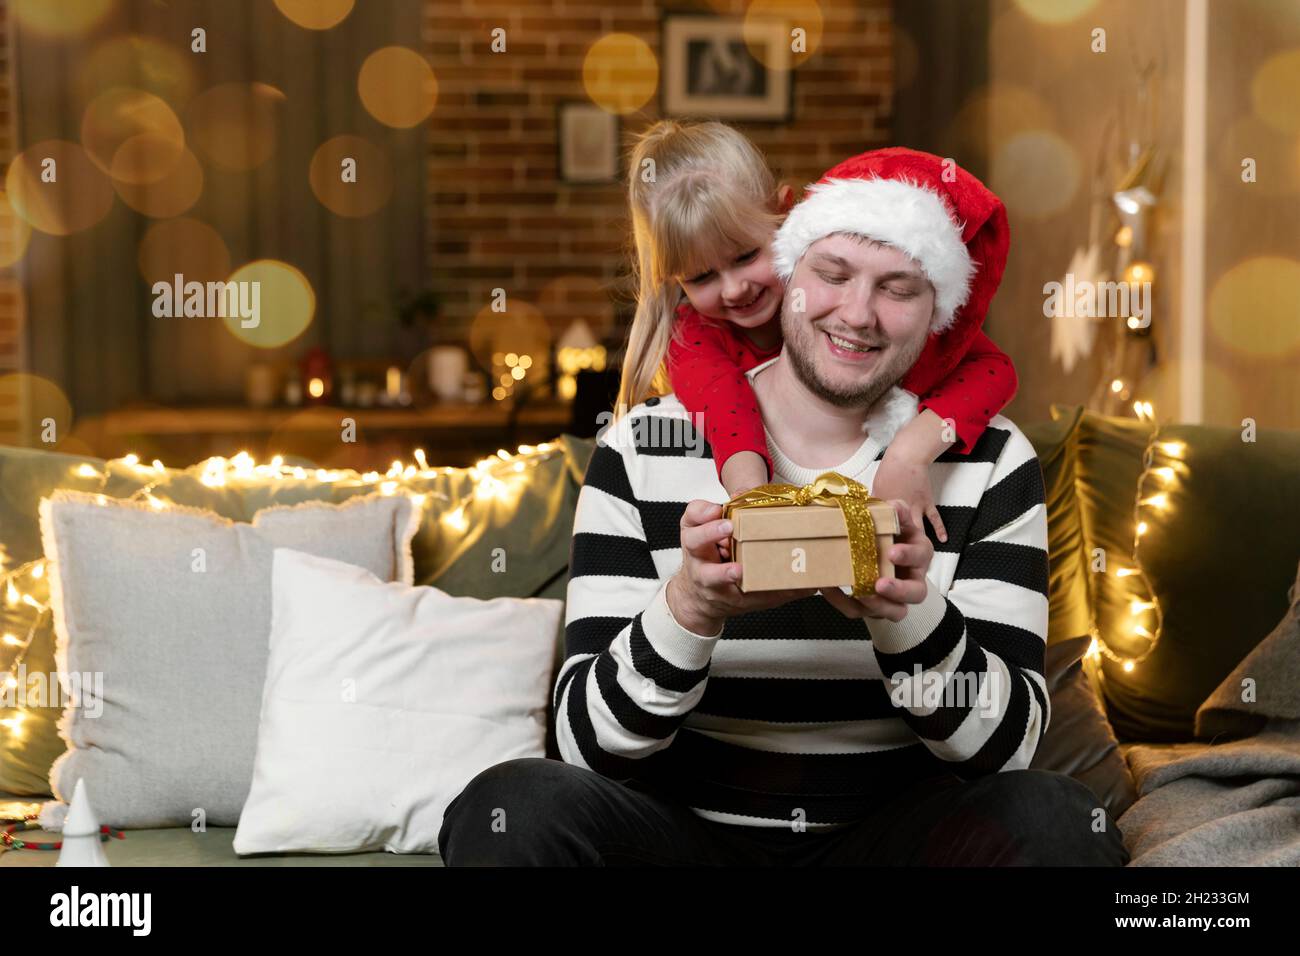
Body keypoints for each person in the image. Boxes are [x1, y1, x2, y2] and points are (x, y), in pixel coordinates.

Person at [438, 150, 1130, 867]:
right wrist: (689, 610)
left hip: (891, 835)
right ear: (789, 270)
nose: (857, 314)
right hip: (685, 836)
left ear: (939, 314)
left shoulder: (990, 461)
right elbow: (588, 747)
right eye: (832, 275)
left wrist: (908, 612)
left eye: (899, 288)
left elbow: (1005, 751)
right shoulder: (643, 448)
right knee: (507, 807)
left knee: (1056, 820)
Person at [615, 120, 1018, 542]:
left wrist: (908, 454)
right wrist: (752, 505)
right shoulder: (692, 337)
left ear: (788, 213)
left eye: (747, 255)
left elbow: (993, 367)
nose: (735, 289)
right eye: (700, 278)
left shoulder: (851, 302)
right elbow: (724, 407)